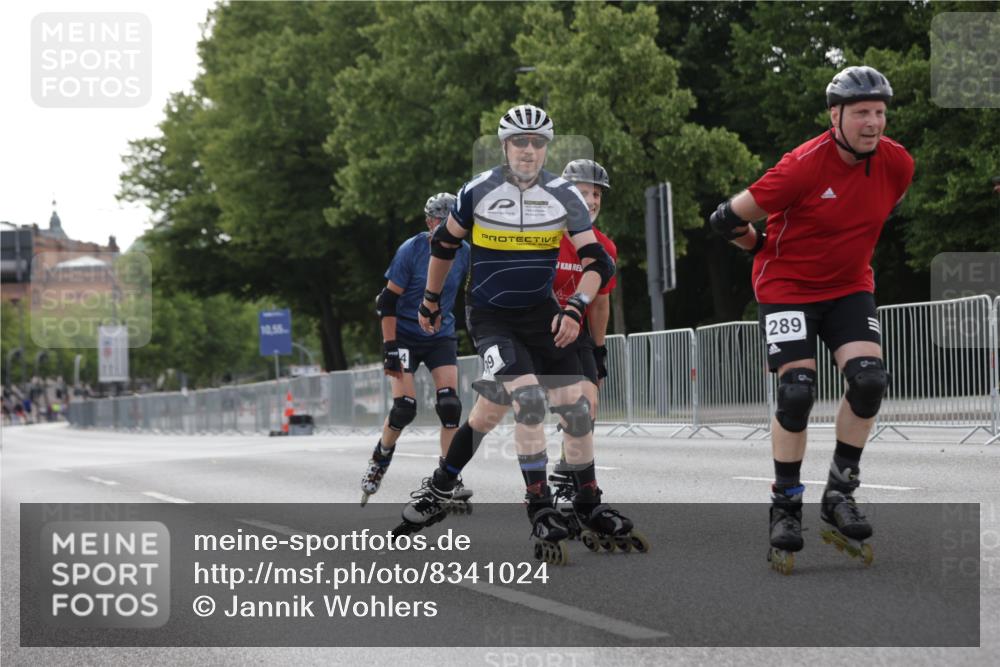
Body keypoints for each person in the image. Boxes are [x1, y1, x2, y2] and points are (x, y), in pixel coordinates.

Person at [395, 104, 643, 564]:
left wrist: (574, 307)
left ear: (546, 147)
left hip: (543, 314)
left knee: (574, 408)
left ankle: (585, 500)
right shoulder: (478, 191)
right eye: (519, 142)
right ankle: (540, 506)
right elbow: (444, 245)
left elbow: (599, 263)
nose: (528, 151)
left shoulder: (562, 194)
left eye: (537, 143)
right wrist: (431, 301)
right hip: (490, 317)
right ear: (504, 146)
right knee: (527, 402)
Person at [709, 65, 914, 574]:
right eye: (862, 112)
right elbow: (725, 219)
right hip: (787, 289)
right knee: (797, 390)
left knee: (869, 382)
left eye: (880, 113)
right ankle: (785, 506)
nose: (873, 123)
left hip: (848, 289)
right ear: (835, 115)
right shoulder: (801, 166)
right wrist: (761, 248)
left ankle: (839, 494)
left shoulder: (898, 164)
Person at [360, 193, 472, 508]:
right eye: (440, 222)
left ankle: (447, 477)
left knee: (450, 406)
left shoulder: (465, 252)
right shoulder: (412, 250)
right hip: (405, 334)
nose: (447, 228)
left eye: (453, 222)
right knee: (404, 408)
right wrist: (390, 347)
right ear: (429, 222)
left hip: (440, 334)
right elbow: (387, 302)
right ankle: (379, 459)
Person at [540, 160, 621, 528]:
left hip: (579, 332)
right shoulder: (544, 236)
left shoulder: (603, 247)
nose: (591, 200)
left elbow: (601, 302)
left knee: (587, 409)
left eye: (597, 194)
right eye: (584, 192)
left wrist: (599, 351)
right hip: (541, 329)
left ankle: (567, 473)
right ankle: (567, 482)